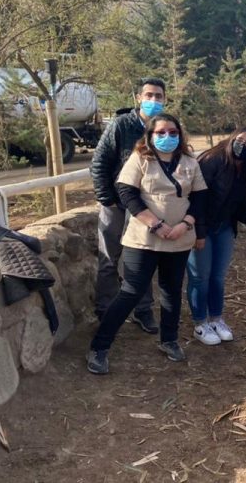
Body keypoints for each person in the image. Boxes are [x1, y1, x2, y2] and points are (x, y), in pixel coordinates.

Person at [87, 114, 207, 374]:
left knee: (171, 291)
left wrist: (185, 224)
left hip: (178, 239)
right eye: (160, 132)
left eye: (172, 132)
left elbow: (200, 198)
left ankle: (169, 340)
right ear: (150, 135)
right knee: (131, 291)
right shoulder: (140, 159)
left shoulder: (189, 162)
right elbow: (127, 193)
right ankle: (99, 347)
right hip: (144, 239)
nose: (167, 137)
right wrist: (155, 224)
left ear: (180, 134)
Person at [91, 77, 169, 333]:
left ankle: (142, 310)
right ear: (139, 98)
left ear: (165, 99)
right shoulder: (121, 125)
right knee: (109, 258)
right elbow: (99, 163)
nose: (154, 100)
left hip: (145, 208)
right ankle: (104, 311)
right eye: (149, 95)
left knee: (142, 259)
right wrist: (107, 199)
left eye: (158, 96)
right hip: (116, 204)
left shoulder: (164, 128)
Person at [186, 127, 246, 346]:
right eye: (240, 139)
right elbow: (197, 199)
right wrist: (199, 232)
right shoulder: (212, 160)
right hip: (201, 227)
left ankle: (216, 319)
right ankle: (200, 323)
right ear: (231, 138)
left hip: (224, 227)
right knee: (200, 277)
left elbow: (236, 203)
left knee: (218, 276)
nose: (243, 145)